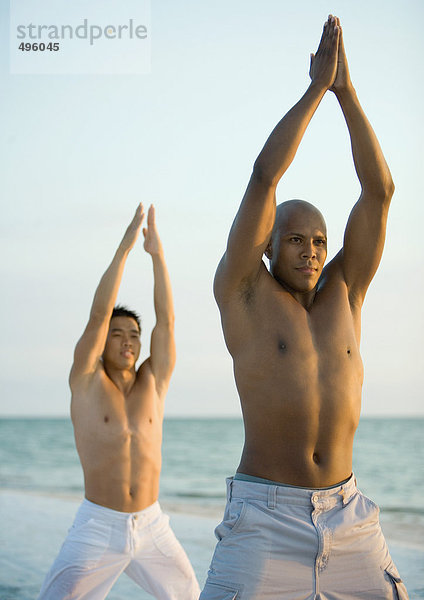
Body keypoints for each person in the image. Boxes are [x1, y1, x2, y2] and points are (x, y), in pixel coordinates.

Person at [200, 15, 408, 600]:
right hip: (264, 518)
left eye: (319, 241)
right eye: (295, 238)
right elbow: (265, 177)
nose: (312, 250)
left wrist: (348, 92)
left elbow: (379, 191)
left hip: (348, 515)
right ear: (267, 245)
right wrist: (317, 89)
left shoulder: (347, 291)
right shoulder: (244, 290)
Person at [38, 204, 200, 599]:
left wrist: (157, 255)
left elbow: (168, 319)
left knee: (193, 595)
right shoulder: (86, 381)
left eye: (133, 334)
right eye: (118, 334)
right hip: (98, 524)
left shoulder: (154, 380)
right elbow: (97, 316)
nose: (128, 341)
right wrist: (126, 249)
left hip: (152, 524)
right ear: (102, 343)